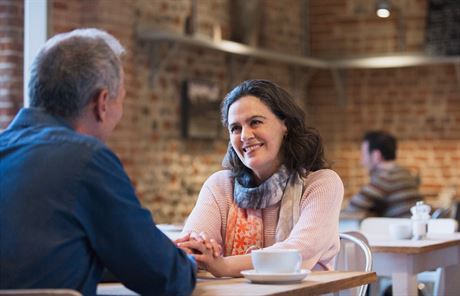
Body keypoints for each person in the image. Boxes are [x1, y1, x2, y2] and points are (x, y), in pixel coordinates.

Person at [0, 28, 196, 295]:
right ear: (102, 103)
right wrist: (190, 261)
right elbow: (165, 277)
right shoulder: (86, 159)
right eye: (122, 100)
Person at [176, 79, 344, 277]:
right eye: (235, 128)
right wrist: (197, 249)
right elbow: (192, 248)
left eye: (255, 122)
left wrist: (224, 266)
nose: (245, 135)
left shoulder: (321, 183)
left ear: (285, 125)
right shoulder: (220, 185)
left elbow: (298, 253)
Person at [345, 130, 423, 217]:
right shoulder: (404, 172)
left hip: (401, 229)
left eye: (364, 154)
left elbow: (353, 207)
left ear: (376, 155)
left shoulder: (385, 178)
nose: (362, 161)